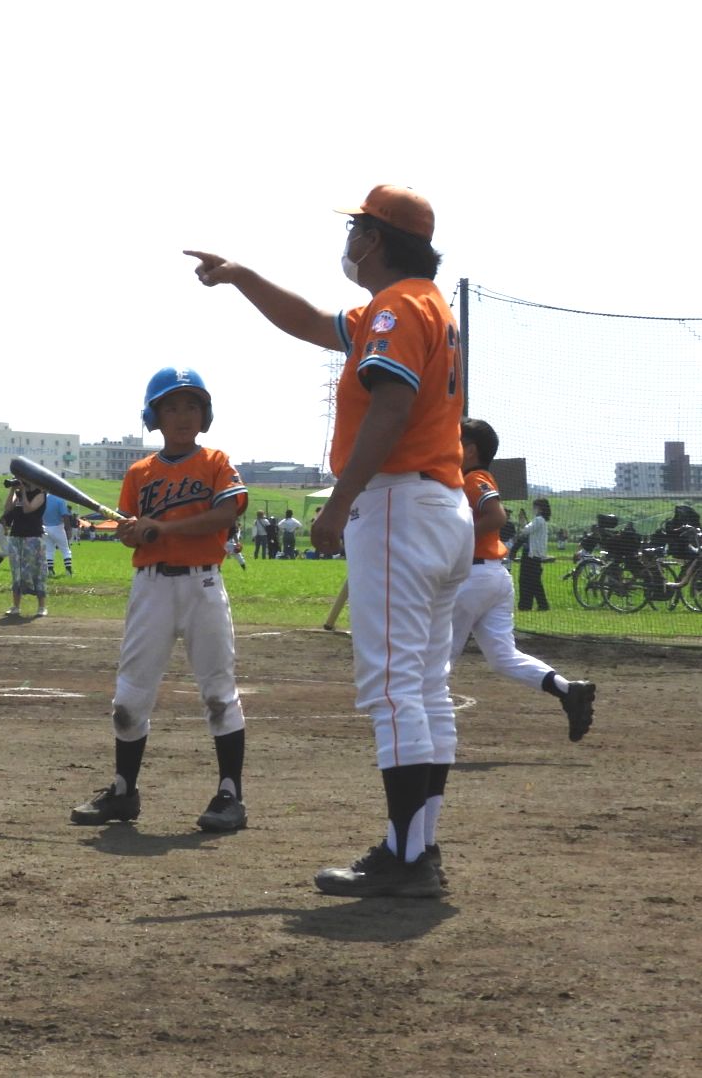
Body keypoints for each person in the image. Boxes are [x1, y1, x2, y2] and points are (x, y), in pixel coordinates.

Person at [187, 182, 472, 898]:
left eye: (355, 228)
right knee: (426, 688)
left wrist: (338, 504)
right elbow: (315, 322)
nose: (348, 239)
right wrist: (242, 276)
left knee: (393, 688)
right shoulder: (421, 303)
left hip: (399, 504)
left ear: (374, 240)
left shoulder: (396, 307)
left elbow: (391, 404)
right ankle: (418, 848)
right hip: (440, 506)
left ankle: (407, 858)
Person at [70, 367, 250, 832]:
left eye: (192, 406)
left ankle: (230, 796)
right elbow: (130, 533)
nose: (183, 415)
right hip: (151, 587)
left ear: (205, 415)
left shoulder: (216, 461)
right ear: (155, 416)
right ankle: (123, 792)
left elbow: (225, 514)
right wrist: (131, 532)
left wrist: (162, 527)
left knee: (218, 693)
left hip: (202, 584)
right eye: (171, 407)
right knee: (129, 697)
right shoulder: (139, 473)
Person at [454, 419, 594, 741]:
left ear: (471, 450)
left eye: (457, 441)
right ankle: (568, 690)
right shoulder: (466, 478)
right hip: (492, 577)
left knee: (438, 655)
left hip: (474, 577)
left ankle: (422, 731)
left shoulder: (474, 478)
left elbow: (496, 516)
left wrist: (456, 539)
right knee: (503, 657)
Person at [3, 476, 48, 616]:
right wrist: (12, 491)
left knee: (37, 571)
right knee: (16, 571)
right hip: (16, 536)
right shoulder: (17, 495)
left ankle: (41, 607)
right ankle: (16, 606)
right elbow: (7, 509)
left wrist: (23, 492)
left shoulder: (40, 494)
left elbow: (28, 509)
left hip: (33, 537)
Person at [518, 498, 552, 611]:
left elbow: (525, 530)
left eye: (535, 507)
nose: (533, 509)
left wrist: (522, 521)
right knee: (535, 582)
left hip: (531, 555)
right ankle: (541, 605)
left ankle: (526, 605)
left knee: (526, 581)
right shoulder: (541, 521)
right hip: (536, 555)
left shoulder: (538, 520)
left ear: (540, 509)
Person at [43, 492, 74, 577]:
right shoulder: (60, 500)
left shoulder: (44, 498)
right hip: (58, 527)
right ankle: (68, 570)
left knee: (49, 551)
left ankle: (50, 570)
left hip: (45, 527)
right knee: (65, 549)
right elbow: (65, 516)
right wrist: (68, 529)